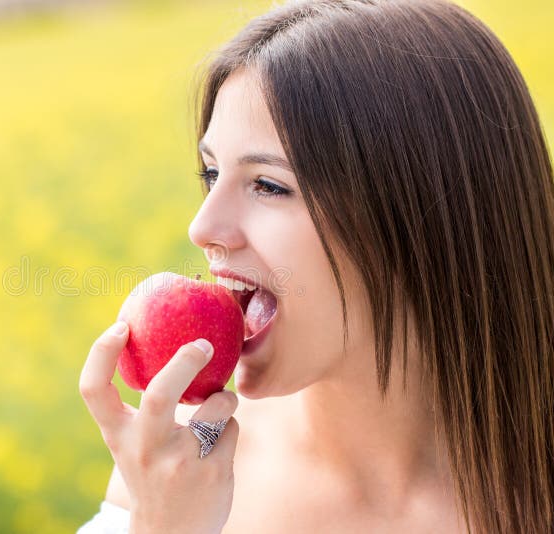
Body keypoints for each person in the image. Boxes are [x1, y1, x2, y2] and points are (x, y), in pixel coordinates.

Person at [78, 0, 554, 532]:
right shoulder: (178, 475)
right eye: (212, 174)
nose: (202, 228)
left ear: (424, 216)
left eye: (269, 185)